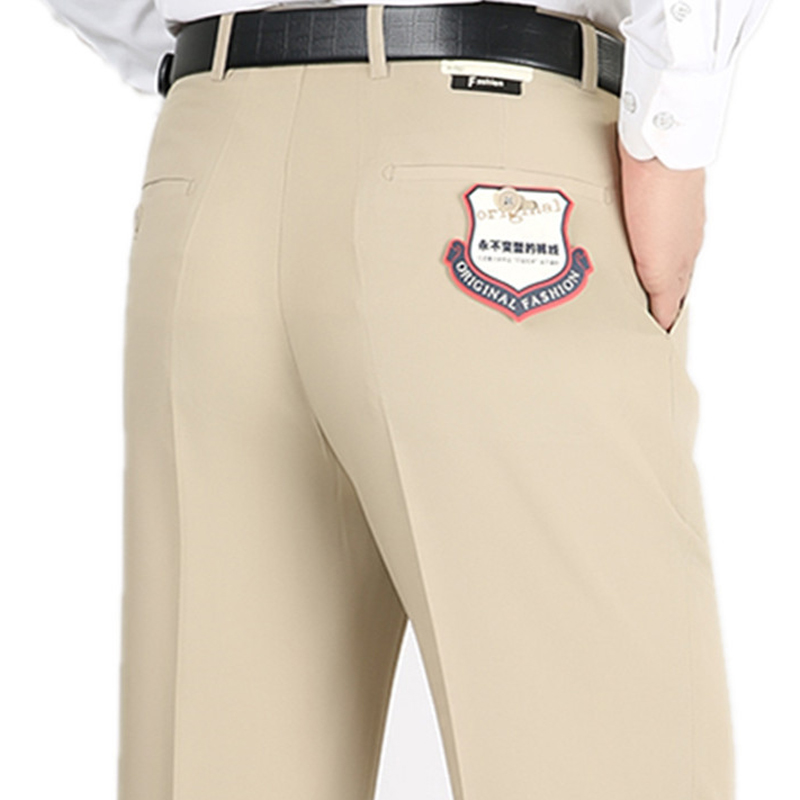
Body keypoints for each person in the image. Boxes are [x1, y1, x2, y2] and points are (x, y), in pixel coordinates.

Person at [43, 1, 771, 799]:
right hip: (486, 142)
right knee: (603, 765)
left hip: (212, 160)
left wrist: (222, 59)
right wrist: (673, 131)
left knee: (217, 765)